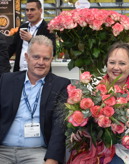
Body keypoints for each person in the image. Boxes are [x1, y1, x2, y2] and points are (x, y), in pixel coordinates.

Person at [0, 35, 70, 164]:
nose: (41, 62)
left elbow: (59, 126)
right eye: (36, 57)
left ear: (51, 60)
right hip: (3, 150)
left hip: (37, 152)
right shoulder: (7, 81)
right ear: (27, 57)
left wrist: (52, 160)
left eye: (46, 58)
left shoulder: (60, 85)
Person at [8, 0, 56, 72]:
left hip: (39, 73)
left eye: (32, 10)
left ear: (40, 11)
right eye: (27, 10)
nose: (29, 13)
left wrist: (31, 40)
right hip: (20, 72)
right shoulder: (22, 27)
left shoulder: (48, 28)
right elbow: (12, 48)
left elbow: (52, 50)